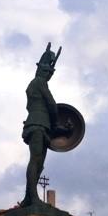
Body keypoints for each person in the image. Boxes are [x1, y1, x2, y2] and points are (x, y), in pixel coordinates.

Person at [20, 43, 61, 207]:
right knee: (35, 160)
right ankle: (33, 198)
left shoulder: (34, 84)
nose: (48, 76)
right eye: (47, 73)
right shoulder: (39, 82)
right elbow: (51, 104)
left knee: (39, 163)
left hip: (40, 125)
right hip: (37, 123)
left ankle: (28, 198)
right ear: (43, 71)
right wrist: (57, 120)